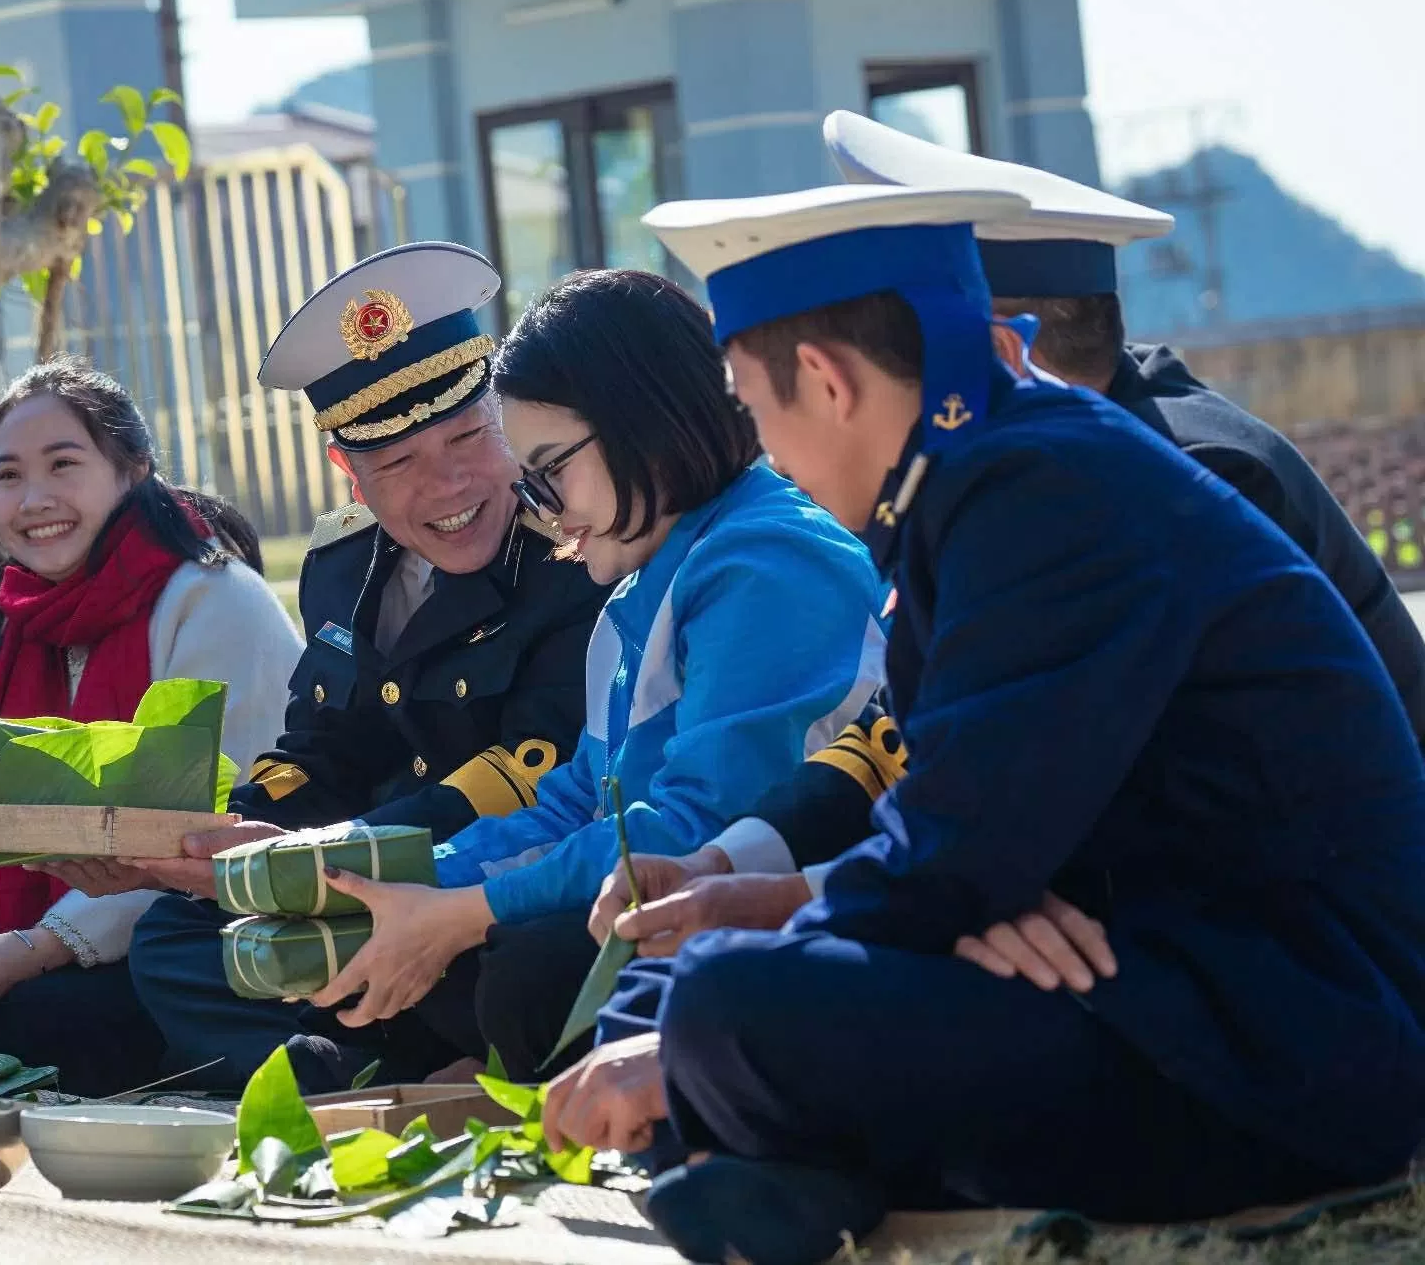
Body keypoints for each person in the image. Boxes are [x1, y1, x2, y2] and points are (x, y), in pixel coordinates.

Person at [541, 184, 1425, 1265]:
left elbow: (953, 858)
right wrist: (855, 899)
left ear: (826, 379)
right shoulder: (988, 470)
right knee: (682, 977)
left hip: (1277, 1035)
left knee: (723, 1009)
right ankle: (784, 1159)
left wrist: (951, 898)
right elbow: (962, 843)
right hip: (1153, 964)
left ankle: (775, 1150)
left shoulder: (1040, 491)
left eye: (756, 411)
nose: (767, 453)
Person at [593, 111, 1425, 959]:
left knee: (732, 991)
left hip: (1297, 942)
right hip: (1172, 911)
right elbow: (901, 743)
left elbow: (1099, 787)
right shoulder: (993, 482)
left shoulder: (1152, 474)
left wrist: (963, 898)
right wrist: (731, 864)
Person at [302, 270, 884, 1079]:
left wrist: (459, 913)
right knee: (399, 947)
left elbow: (694, 829)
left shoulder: (764, 562)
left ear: (642, 425)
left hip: (804, 917)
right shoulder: (649, 575)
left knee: (527, 977)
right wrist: (395, 885)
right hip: (690, 902)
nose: (541, 507)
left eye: (549, 469)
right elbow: (578, 800)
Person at [127, 243, 611, 1093]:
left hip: (478, 881)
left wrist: (326, 854)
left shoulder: (574, 558)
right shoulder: (341, 565)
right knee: (174, 933)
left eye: (470, 436)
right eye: (398, 463)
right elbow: (322, 748)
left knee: (519, 963)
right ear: (348, 472)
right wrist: (224, 837)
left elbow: (530, 773)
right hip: (362, 876)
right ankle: (365, 1075)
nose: (449, 484)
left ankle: (350, 1074)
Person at [0, 358, 300, 1097]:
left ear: (133, 469)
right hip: (72, 937)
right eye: (8, 475)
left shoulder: (213, 600)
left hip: (210, 934)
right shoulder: (28, 620)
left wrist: (42, 946)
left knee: (47, 1017)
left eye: (63, 464)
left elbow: (192, 836)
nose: (34, 499)